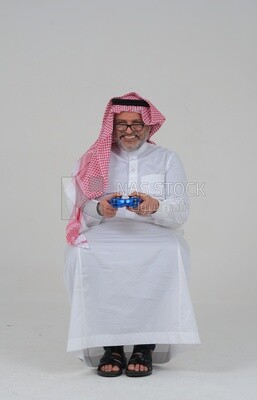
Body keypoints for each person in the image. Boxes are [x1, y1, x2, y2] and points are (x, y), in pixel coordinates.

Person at [64, 92, 200, 378]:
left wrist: (156, 206)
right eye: (122, 124)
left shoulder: (167, 159)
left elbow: (181, 210)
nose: (128, 131)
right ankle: (109, 346)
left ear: (149, 126)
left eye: (136, 124)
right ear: (112, 126)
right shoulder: (97, 160)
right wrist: (100, 208)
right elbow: (81, 207)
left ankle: (144, 346)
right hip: (108, 231)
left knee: (170, 251)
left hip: (154, 231)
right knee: (82, 253)